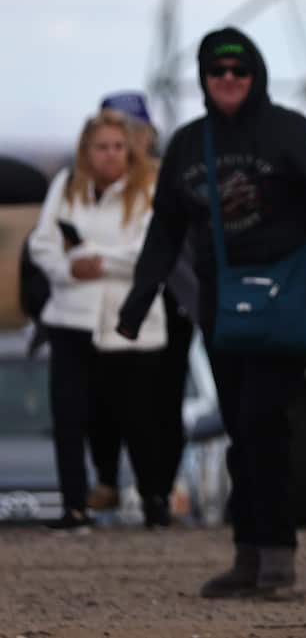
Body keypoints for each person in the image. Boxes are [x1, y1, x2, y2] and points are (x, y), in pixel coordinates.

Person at [117, 27, 306, 597]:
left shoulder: (289, 133)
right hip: (223, 311)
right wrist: (137, 303)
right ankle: (249, 555)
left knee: (262, 424)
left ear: (256, 75)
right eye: (217, 71)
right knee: (241, 433)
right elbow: (165, 230)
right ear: (204, 78)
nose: (228, 79)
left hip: (289, 307)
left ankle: (278, 557)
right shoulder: (188, 144)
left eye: (239, 70)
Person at [28, 109, 170, 531]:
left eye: (118, 147)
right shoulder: (66, 186)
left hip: (129, 323)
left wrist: (93, 259)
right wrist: (68, 268)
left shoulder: (148, 189)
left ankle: (153, 500)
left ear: (130, 151)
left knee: (138, 419)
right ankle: (74, 505)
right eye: (102, 147)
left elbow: (148, 251)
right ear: (86, 151)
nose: (110, 155)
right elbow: (42, 244)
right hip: (72, 316)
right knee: (70, 416)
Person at [85, 92, 197, 528]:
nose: (129, 140)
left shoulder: (171, 177)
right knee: (105, 401)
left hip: (170, 300)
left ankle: (157, 493)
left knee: (163, 403)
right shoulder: (85, 185)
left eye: (135, 130)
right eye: (118, 130)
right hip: (106, 303)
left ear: (148, 134)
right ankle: (109, 483)